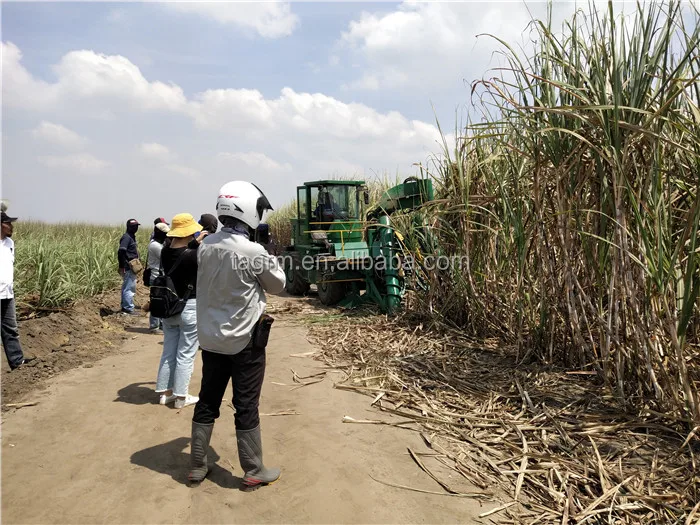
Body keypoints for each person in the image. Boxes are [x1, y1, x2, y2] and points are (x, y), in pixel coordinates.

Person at [188, 181, 285, 489]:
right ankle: (253, 468)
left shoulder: (205, 246)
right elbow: (278, 284)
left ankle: (196, 466)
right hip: (245, 342)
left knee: (207, 401)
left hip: (211, 340)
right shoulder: (252, 250)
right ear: (249, 211)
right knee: (245, 404)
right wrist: (267, 250)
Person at [155, 213, 208, 409]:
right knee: (186, 354)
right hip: (190, 306)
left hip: (170, 307)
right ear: (189, 232)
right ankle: (180, 397)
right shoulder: (195, 254)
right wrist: (199, 242)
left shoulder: (164, 252)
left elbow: (181, 251)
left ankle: (163, 393)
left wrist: (195, 242)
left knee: (168, 350)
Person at [0, 210, 35, 370]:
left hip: (7, 293)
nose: (11, 226)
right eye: (8, 223)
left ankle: (17, 362)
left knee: (11, 329)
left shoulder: (9, 244)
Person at [146, 222, 170, 333]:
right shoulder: (155, 245)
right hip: (156, 277)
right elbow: (165, 257)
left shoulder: (158, 243)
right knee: (156, 300)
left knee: (161, 301)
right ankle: (154, 326)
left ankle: (160, 324)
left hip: (159, 276)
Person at [118, 219, 141, 315]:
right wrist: (122, 265)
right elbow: (121, 251)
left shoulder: (131, 237)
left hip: (131, 265)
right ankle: (128, 308)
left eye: (136, 226)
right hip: (128, 266)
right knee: (129, 287)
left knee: (127, 286)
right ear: (128, 227)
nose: (135, 228)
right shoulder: (126, 237)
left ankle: (125, 306)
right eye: (133, 226)